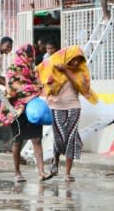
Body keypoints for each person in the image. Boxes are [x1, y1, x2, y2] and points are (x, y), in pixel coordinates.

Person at [37, 46, 98, 182]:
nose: (76, 63)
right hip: (55, 106)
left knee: (70, 137)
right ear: (67, 57)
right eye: (73, 59)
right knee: (59, 138)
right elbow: (40, 76)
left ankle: (67, 173)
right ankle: (55, 163)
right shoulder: (54, 66)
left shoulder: (80, 72)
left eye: (78, 60)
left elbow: (82, 87)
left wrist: (67, 71)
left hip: (74, 106)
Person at [2, 44, 54, 182]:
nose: (31, 59)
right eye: (28, 56)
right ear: (22, 55)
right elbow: (13, 88)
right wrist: (34, 88)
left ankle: (41, 172)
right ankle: (17, 172)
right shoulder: (13, 68)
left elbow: (38, 84)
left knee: (37, 139)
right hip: (17, 110)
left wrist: (38, 88)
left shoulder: (32, 68)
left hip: (33, 109)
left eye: (32, 56)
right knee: (18, 141)